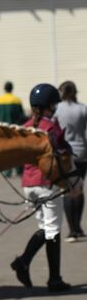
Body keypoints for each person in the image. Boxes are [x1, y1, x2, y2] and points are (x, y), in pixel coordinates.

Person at [10, 83, 82, 292]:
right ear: (50, 105)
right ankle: (32, 266)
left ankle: (49, 275)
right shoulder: (51, 128)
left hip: (28, 185)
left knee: (47, 228)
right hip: (47, 183)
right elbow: (63, 158)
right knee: (53, 229)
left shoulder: (24, 127)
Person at [54, 81, 87, 242]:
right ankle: (78, 227)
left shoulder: (57, 109)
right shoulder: (82, 108)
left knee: (67, 190)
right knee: (79, 188)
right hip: (81, 152)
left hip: (65, 154)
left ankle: (71, 229)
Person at [0, 81, 27, 177]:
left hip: (2, 131)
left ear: (4, 88)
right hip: (14, 130)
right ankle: (19, 170)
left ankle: (6, 172)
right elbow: (21, 116)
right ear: (12, 88)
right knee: (17, 151)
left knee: (4, 151)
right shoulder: (16, 100)